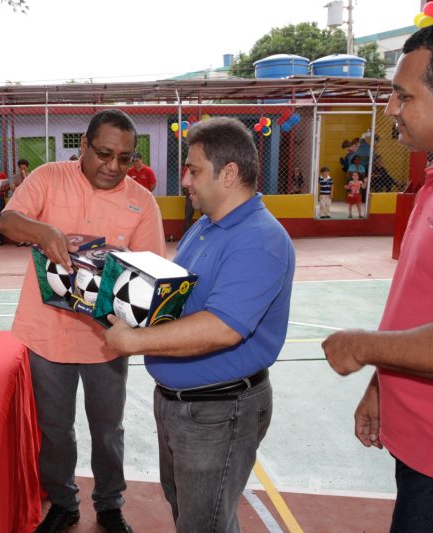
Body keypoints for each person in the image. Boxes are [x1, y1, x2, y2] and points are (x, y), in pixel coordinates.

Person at [322, 19, 433, 532]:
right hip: (427, 448)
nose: (392, 108)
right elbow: (426, 305)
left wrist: (366, 347)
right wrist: (385, 381)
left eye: (403, 96)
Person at [103, 117, 295, 532]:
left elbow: (220, 328)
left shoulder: (260, 238)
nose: (185, 181)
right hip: (183, 404)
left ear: (228, 174)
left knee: (204, 524)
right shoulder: (206, 227)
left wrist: (133, 341)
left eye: (193, 170)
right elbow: (180, 301)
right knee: (192, 515)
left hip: (217, 410)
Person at [0, 109, 164, 533]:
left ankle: (109, 504)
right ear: (84, 147)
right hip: (46, 334)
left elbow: (152, 270)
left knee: (108, 429)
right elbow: (8, 221)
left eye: (125, 158)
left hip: (108, 340)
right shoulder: (48, 177)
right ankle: (64, 503)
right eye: (104, 154)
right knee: (55, 429)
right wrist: (43, 232)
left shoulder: (142, 202)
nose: (112, 166)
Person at [11, 158, 31, 246]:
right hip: (19, 201)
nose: (22, 170)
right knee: (19, 221)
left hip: (28, 202)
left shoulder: (31, 176)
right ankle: (21, 240)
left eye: (24, 168)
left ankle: (28, 240)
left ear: (27, 168)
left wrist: (25, 176)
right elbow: (12, 187)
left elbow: (30, 188)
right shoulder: (15, 177)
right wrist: (20, 189)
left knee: (28, 221)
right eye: (21, 168)